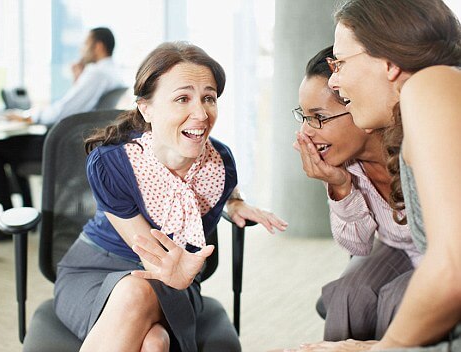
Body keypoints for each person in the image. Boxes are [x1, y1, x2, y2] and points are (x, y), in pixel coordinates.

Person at [53, 41, 288, 352]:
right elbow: (152, 257)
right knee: (153, 341)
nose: (201, 114)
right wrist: (180, 273)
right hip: (96, 270)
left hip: (173, 282)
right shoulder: (112, 163)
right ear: (146, 108)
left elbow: (217, 188)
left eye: (209, 98)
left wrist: (234, 202)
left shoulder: (221, 164)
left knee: (141, 301)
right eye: (182, 98)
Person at [297, 0, 461, 351]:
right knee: (353, 291)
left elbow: (451, 270)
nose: (336, 82)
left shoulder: (430, 84)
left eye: (339, 63)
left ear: (387, 61)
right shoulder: (417, 112)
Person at [292, 45, 422, 341]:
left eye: (319, 117)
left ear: (360, 106)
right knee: (347, 293)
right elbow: (358, 246)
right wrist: (340, 186)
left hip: (443, 253)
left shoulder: (416, 149)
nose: (306, 133)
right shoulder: (346, 164)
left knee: (397, 300)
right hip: (395, 247)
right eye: (303, 116)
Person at [0, 27, 125, 241]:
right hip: (77, 145)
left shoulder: (96, 72)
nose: (82, 49)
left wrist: (26, 116)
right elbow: (79, 108)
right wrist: (78, 79)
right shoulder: (111, 72)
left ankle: (7, 225)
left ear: (98, 46)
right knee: (12, 147)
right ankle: (23, 217)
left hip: (61, 148)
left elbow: (62, 111)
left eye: (85, 44)